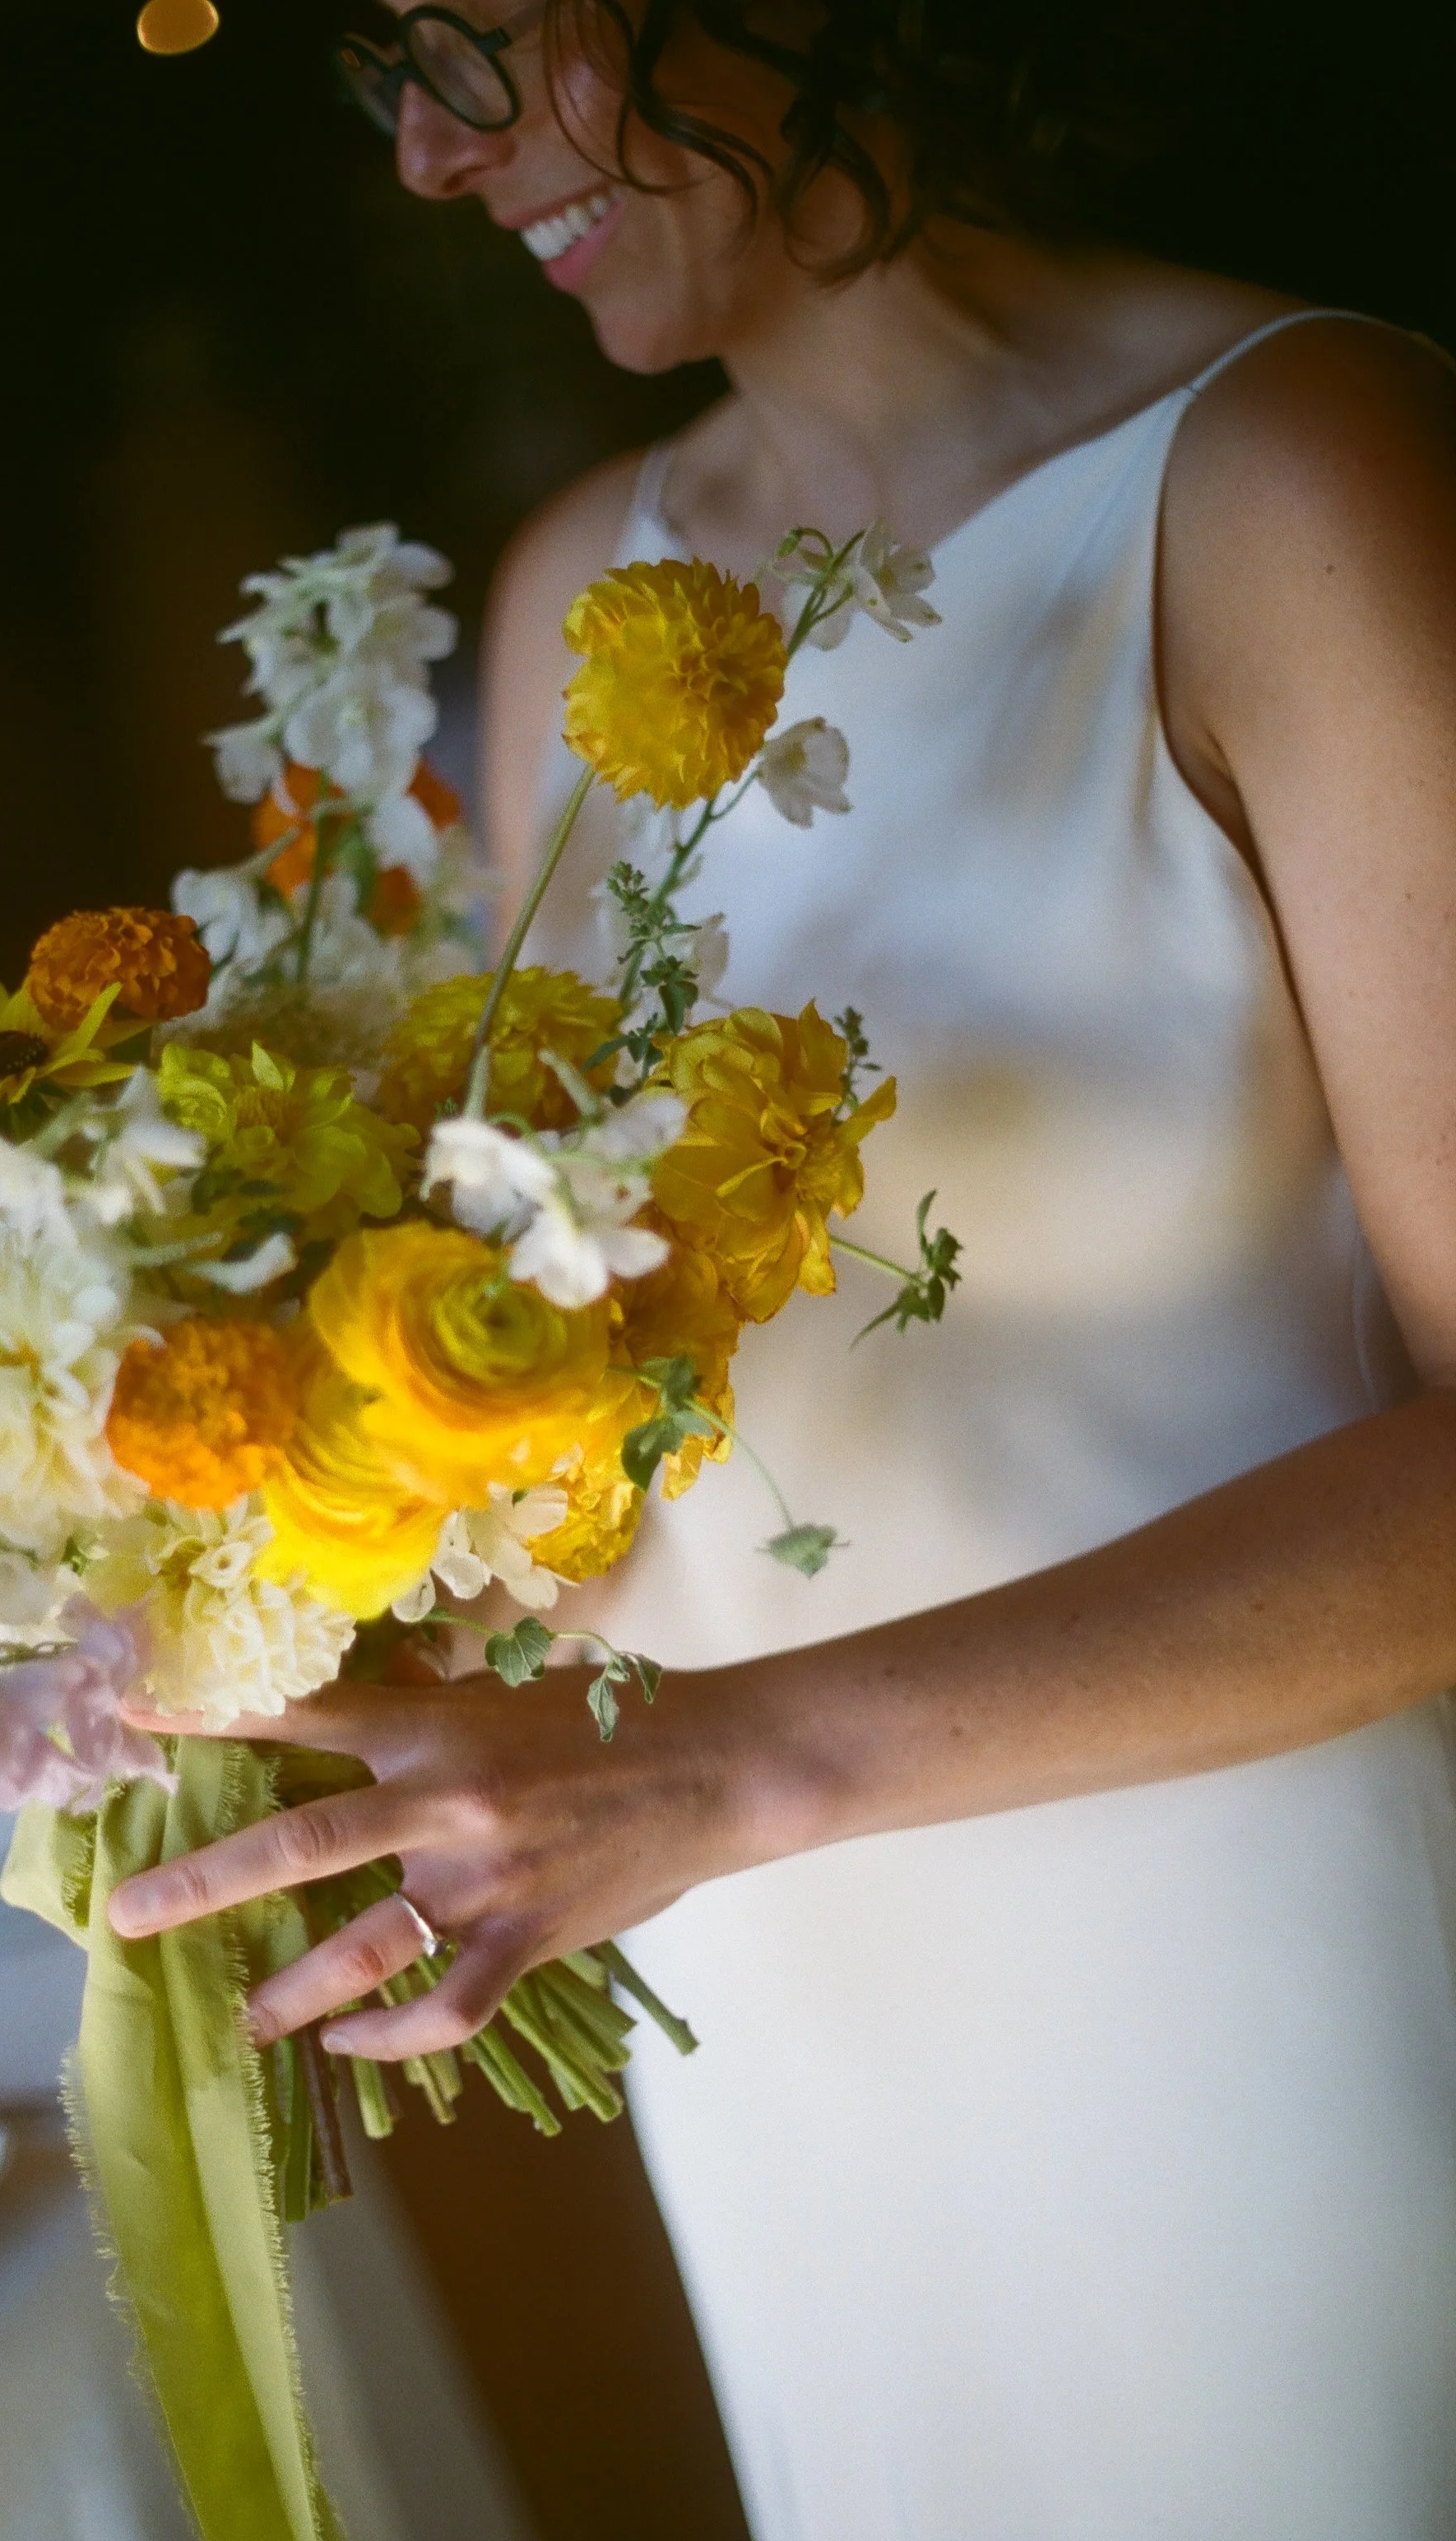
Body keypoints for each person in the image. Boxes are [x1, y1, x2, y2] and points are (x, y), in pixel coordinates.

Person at [109, 4, 1456, 2532]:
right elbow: (598, 1428)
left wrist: (729, 1766)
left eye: (477, 46)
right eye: (385, 84)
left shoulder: (1286, 472)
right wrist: (190, 1560)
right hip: (783, 2000)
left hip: (1246, 1986)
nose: (427, 156)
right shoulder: (570, 600)